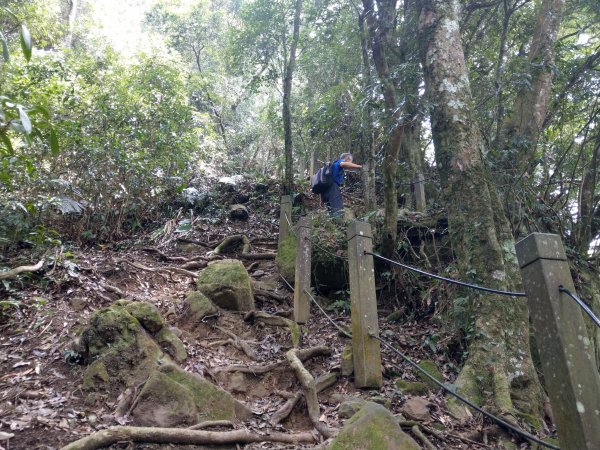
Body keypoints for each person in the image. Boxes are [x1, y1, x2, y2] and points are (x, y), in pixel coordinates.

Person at [321, 152, 362, 218]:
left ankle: (333, 224)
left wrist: (322, 199)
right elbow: (343, 164)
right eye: (350, 161)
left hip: (325, 190)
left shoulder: (333, 166)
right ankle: (339, 223)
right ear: (347, 158)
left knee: (331, 209)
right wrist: (359, 166)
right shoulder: (340, 162)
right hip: (333, 188)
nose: (351, 163)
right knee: (338, 209)